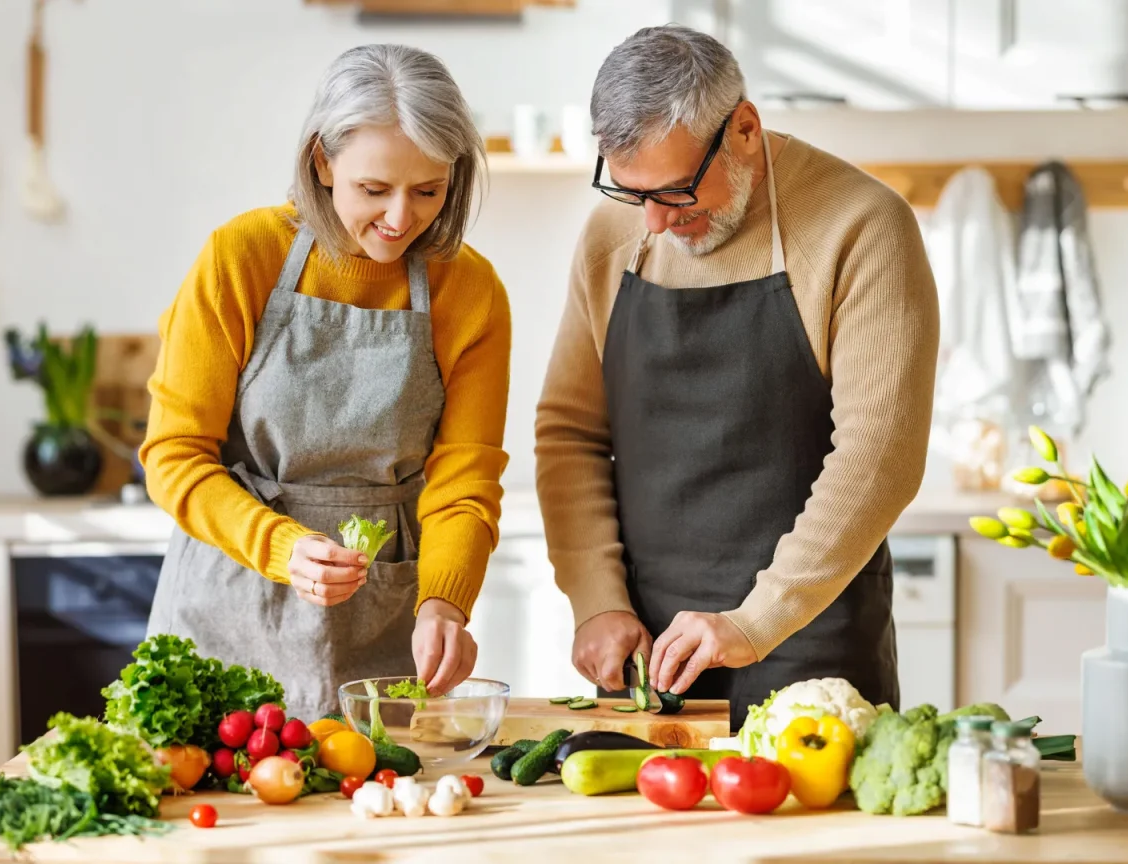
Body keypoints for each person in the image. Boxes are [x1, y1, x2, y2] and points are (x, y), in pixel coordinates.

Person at [535, 25, 938, 728]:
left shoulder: (862, 227)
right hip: (649, 661)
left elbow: (881, 457)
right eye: (634, 194)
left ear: (745, 128)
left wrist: (755, 621)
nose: (655, 223)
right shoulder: (614, 235)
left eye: (678, 191)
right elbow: (569, 433)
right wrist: (597, 601)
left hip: (812, 651)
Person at [141, 44, 511, 720]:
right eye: (375, 190)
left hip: (383, 624)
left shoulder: (471, 290)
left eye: (428, 191)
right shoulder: (242, 257)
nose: (401, 219)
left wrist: (444, 602)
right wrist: (281, 545)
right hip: (232, 601)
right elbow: (173, 458)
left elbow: (465, 480)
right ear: (322, 161)